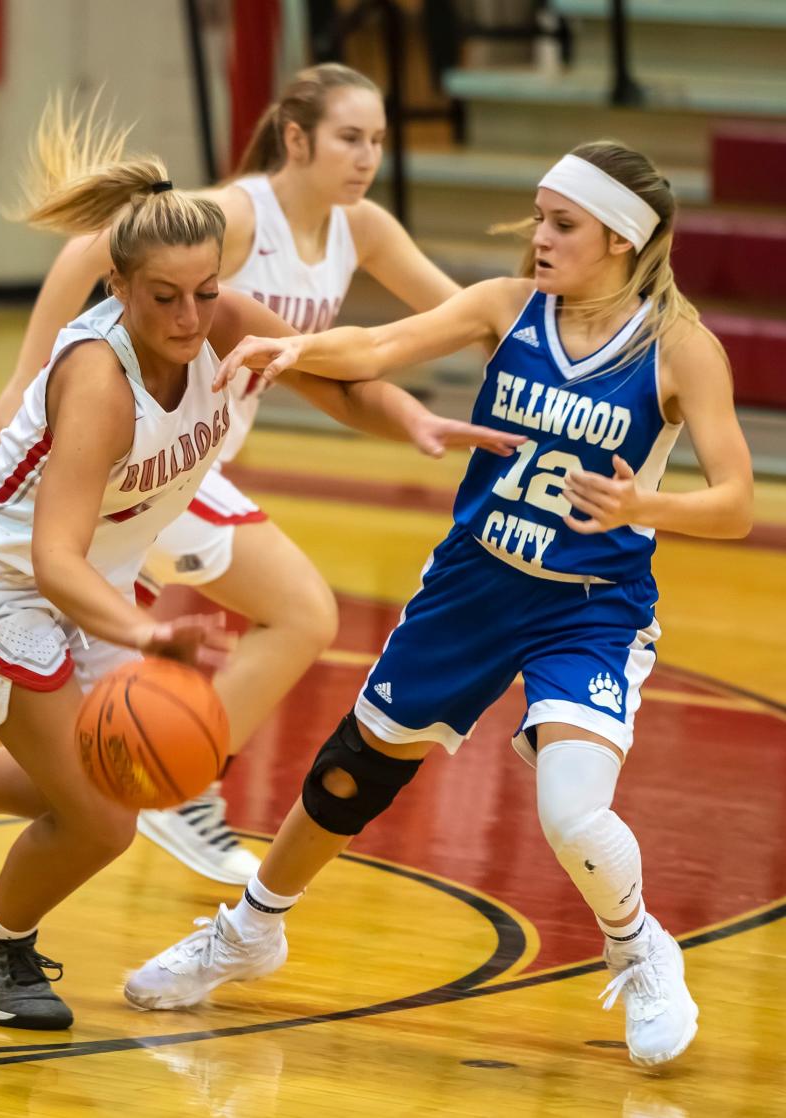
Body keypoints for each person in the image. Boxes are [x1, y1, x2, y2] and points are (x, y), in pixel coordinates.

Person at [0, 112, 522, 1030]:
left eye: (204, 293)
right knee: (101, 819)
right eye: (163, 298)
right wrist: (144, 632)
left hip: (90, 576)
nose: (187, 319)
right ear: (118, 286)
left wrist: (414, 422)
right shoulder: (98, 377)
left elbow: (335, 381)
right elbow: (51, 556)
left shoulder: (225, 320)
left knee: (115, 784)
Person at [123, 140, 754, 1068]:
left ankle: (639, 949)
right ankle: (251, 931)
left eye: (561, 223)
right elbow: (379, 345)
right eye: (539, 217)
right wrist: (297, 347)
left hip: (589, 604)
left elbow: (737, 500)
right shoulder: (507, 308)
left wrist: (645, 505)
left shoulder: (680, 348)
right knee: (353, 770)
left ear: (621, 237)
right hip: (474, 582)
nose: (539, 236)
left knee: (573, 814)